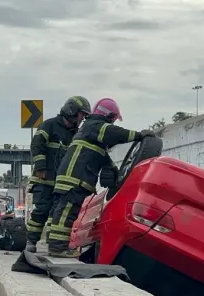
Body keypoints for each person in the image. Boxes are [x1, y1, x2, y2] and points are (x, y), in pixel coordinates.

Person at [47, 97, 154, 257]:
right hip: (74, 180)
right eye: (113, 119)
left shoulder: (89, 131)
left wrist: (114, 173)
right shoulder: (96, 126)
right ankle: (57, 247)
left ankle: (52, 242)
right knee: (66, 213)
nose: (113, 123)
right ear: (109, 115)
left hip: (70, 179)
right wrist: (139, 135)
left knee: (60, 211)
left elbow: (102, 157)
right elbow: (115, 133)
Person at [25, 96, 92, 253]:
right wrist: (41, 166)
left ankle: (54, 245)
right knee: (41, 211)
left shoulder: (76, 133)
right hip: (43, 181)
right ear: (72, 111)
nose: (83, 118)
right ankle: (31, 241)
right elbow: (36, 144)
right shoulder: (49, 125)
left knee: (56, 215)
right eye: (82, 114)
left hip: (60, 183)